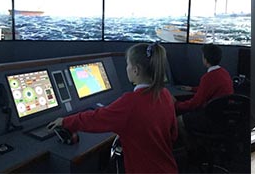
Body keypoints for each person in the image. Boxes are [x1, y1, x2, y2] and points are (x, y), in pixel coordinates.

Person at [48, 43, 178, 173]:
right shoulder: (165, 94)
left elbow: (95, 119)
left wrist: (65, 122)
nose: (126, 68)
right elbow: (173, 135)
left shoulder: (130, 103)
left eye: (128, 64)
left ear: (135, 70)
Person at [176, 44, 234, 112]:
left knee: (179, 120)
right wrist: (192, 89)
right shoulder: (225, 72)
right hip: (225, 113)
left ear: (205, 60)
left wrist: (176, 104)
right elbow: (210, 88)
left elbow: (195, 103)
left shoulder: (208, 78)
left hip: (212, 115)